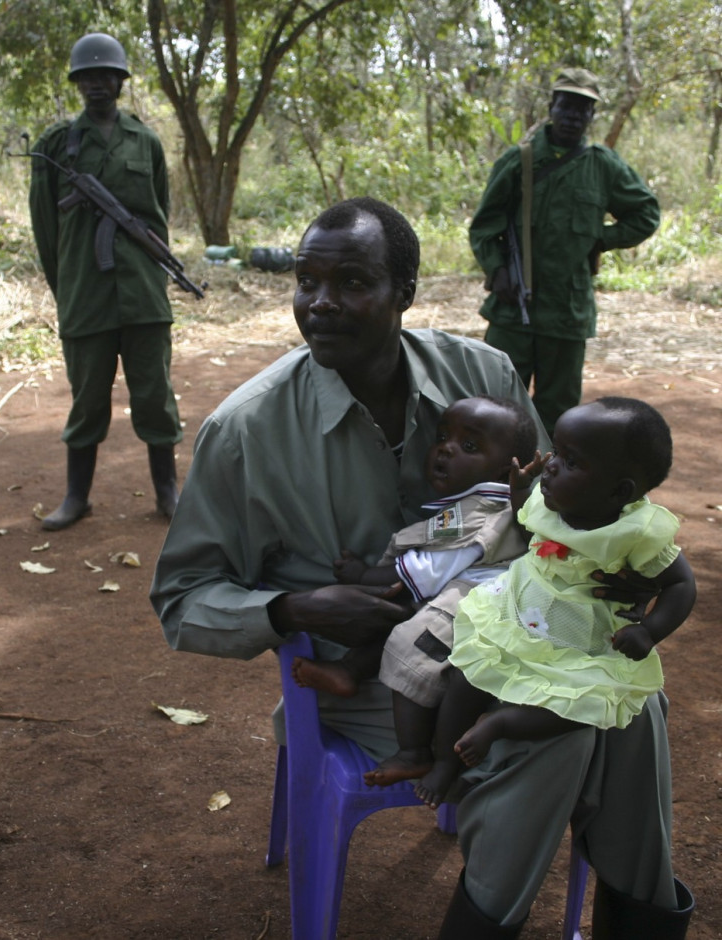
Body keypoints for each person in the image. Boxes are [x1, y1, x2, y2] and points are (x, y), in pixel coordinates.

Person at [150, 197, 695, 938]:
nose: (320, 303)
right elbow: (183, 598)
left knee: (635, 704)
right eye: (307, 281)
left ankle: (638, 918)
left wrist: (615, 561)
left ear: (403, 292)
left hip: (517, 630)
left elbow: (550, 504)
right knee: (558, 734)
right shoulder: (248, 431)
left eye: (350, 282)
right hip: (378, 678)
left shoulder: (482, 371)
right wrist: (297, 610)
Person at [411, 397, 696, 812]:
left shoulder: (638, 533)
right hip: (514, 619)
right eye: (556, 452)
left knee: (580, 707)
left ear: (619, 491)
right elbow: (529, 521)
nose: (551, 465)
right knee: (465, 678)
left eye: (571, 461)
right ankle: (443, 763)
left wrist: (650, 630)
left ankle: (502, 722)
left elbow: (681, 585)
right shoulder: (551, 499)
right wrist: (520, 490)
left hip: (580, 645)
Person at [291, 395, 535, 782]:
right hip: (462, 595)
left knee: (411, 644)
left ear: (507, 470)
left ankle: (415, 750)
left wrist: (362, 574)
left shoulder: (492, 513)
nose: (445, 449)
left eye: (468, 446)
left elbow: (427, 573)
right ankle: (350, 669)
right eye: (442, 437)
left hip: (484, 608)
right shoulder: (471, 503)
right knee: (400, 615)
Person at [29, 32, 182, 530]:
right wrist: (67, 289)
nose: (97, 83)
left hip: (143, 296)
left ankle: (167, 493)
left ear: (120, 81)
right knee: (87, 401)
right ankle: (77, 498)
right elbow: (46, 232)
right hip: (86, 298)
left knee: (155, 396)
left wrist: (155, 273)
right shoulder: (56, 146)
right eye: (87, 76)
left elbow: (157, 219)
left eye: (105, 75)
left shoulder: (147, 140)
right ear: (78, 84)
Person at [469, 67, 660, 435]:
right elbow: (484, 224)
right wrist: (498, 269)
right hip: (513, 311)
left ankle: (546, 489)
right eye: (567, 105)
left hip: (567, 312)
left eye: (583, 109)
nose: (573, 115)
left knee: (558, 413)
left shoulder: (603, 166)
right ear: (552, 106)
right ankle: (491, 487)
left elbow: (646, 213)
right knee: (493, 406)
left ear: (592, 116)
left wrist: (600, 239)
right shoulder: (520, 161)